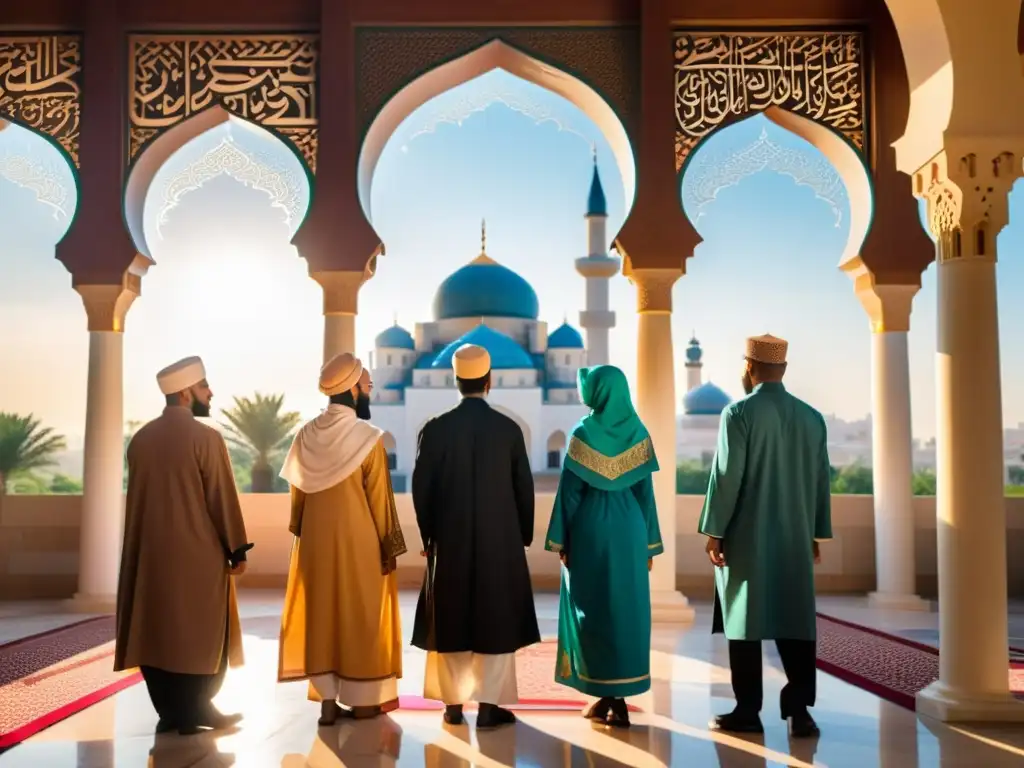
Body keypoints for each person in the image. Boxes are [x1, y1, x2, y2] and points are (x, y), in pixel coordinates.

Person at [698, 334, 832, 739]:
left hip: (747, 534)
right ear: (784, 369)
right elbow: (820, 481)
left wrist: (714, 531)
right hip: (794, 534)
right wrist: (814, 533)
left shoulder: (738, 413)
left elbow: (726, 476)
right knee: (795, 622)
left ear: (749, 366)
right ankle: (799, 713)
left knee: (744, 620)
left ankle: (747, 711)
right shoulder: (812, 417)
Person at [115, 356, 253, 735]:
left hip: (150, 559)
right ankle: (197, 708)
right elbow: (221, 496)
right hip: (198, 558)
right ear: (185, 392)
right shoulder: (206, 438)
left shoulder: (140, 439)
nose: (210, 393)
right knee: (202, 635)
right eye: (205, 386)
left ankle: (176, 712)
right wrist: (236, 548)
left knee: (157, 632)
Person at [410, 343, 540, 729]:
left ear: (457, 381)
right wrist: (522, 535)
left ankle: (452, 706)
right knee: (495, 621)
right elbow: (524, 489)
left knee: (450, 620)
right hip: (500, 543)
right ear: (489, 381)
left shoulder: (435, 429)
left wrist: (429, 533)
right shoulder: (509, 429)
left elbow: (422, 487)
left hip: (448, 543)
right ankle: (488, 708)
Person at [277, 353, 406, 724]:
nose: (369, 392)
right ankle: (364, 701)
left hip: (314, 543)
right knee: (360, 616)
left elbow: (297, 495)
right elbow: (380, 498)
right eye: (366, 387)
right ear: (351, 389)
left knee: (323, 616)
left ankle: (327, 703)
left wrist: (304, 531)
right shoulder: (368, 438)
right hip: (360, 543)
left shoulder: (305, 434)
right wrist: (389, 544)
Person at [544, 365, 662, 729]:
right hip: (629, 530)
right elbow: (646, 495)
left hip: (591, 529)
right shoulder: (638, 432)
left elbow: (570, 493)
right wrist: (649, 545)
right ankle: (616, 698)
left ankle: (603, 694)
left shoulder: (583, 433)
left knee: (591, 609)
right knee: (625, 610)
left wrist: (560, 539)